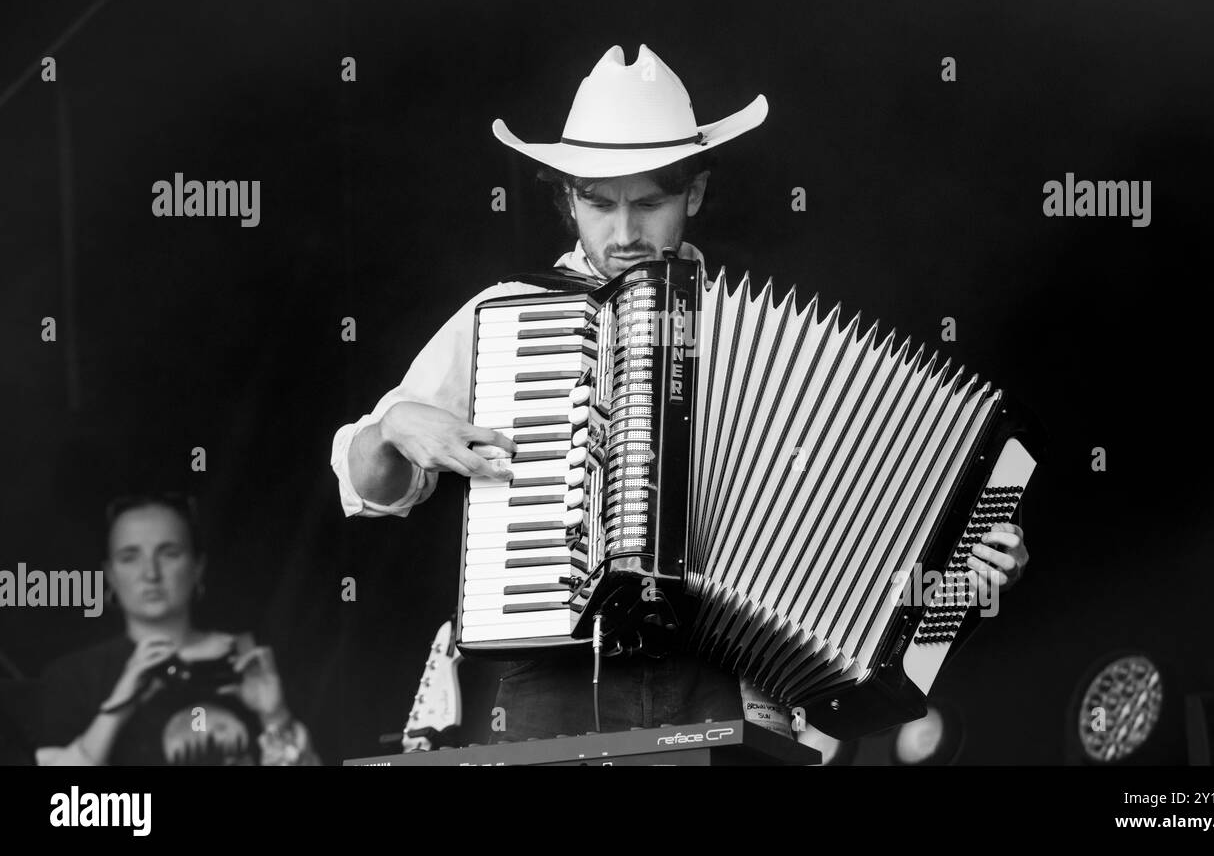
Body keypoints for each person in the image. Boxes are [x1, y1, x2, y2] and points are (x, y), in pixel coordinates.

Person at [331, 44, 1030, 749]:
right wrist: (391, 427)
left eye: (651, 202)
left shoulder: (764, 337)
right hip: (553, 685)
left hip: (727, 680)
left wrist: (955, 576)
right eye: (598, 204)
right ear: (566, 197)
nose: (624, 233)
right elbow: (367, 487)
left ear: (693, 193)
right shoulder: (512, 316)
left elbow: (848, 538)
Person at [32, 492, 319, 765]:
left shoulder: (253, 662)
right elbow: (62, 808)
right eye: (130, 557)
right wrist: (115, 709)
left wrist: (275, 716)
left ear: (197, 567)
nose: (150, 574)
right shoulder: (73, 677)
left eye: (169, 553)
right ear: (110, 575)